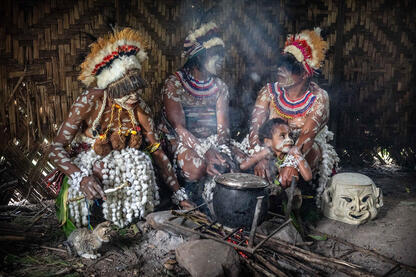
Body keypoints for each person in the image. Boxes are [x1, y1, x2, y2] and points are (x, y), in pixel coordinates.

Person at [49, 28, 194, 230]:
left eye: (137, 88)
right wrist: (80, 177)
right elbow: (55, 148)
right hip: (91, 160)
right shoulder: (90, 101)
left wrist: (179, 195)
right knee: (101, 168)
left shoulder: (139, 109)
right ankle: (98, 219)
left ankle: (130, 218)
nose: (134, 96)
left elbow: (157, 152)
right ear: (110, 86)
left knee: (142, 163)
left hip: (128, 167)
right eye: (127, 90)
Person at [247, 28, 339, 205]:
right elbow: (255, 128)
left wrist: (290, 163)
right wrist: (261, 156)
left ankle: (287, 199)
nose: (280, 69)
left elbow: (306, 136)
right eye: (281, 64)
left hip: (302, 150)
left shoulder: (318, 98)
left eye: (289, 67)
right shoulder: (268, 92)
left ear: (305, 73)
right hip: (269, 146)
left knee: (309, 153)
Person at [161, 22, 245, 203]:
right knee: (198, 167)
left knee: (238, 162)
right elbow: (179, 128)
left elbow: (223, 129)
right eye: (216, 55)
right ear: (199, 57)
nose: (221, 59)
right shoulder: (174, 84)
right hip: (180, 140)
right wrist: (204, 151)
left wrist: (221, 150)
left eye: (222, 54)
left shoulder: (220, 87)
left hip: (212, 140)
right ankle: (192, 197)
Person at [241, 118, 312, 183]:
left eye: (290, 135)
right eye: (282, 136)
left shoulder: (292, 155)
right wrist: (265, 152)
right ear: (268, 142)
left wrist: (297, 153)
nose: (289, 139)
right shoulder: (267, 152)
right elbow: (243, 166)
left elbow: (308, 177)